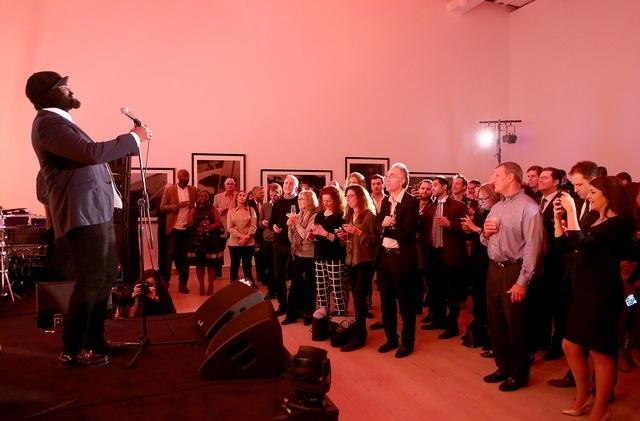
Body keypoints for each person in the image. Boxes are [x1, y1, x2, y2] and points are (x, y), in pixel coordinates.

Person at [27, 71, 151, 367]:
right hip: (81, 213)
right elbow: (90, 153)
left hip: (95, 210)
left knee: (105, 276)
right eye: (64, 88)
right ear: (49, 94)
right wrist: (133, 138)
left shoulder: (59, 123)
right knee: (91, 279)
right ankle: (72, 349)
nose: (70, 91)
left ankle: (94, 340)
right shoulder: (48, 123)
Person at [554, 176, 633, 420]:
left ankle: (601, 407)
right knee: (570, 345)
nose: (588, 196)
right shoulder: (592, 217)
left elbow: (582, 243)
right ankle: (582, 396)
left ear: (608, 195)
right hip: (582, 290)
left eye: (592, 192)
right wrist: (558, 220)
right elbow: (568, 246)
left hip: (603, 293)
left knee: (600, 352)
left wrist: (571, 211)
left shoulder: (619, 223)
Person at [480, 162, 544, 392]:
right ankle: (503, 366)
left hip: (514, 270)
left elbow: (533, 248)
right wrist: (485, 233)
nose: (492, 178)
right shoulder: (497, 207)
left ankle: (518, 373)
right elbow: (484, 239)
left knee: (516, 324)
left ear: (510, 177)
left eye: (497, 175)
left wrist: (522, 281)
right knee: (496, 322)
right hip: (494, 268)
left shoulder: (529, 208)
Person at [373, 163, 419, 358]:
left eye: (391, 175)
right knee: (386, 302)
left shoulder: (411, 202)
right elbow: (375, 226)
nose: (387, 178)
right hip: (384, 256)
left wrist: (385, 228)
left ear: (402, 181)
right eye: (387, 175)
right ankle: (391, 339)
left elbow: (406, 233)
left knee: (406, 304)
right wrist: (384, 226)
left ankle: (407, 343)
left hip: (401, 259)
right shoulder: (386, 201)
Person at [420, 176, 469, 339]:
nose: (432, 188)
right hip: (433, 254)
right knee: (435, 290)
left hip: (451, 255)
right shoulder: (430, 206)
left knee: (452, 293)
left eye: (435, 185)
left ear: (444, 187)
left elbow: (467, 230)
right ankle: (438, 319)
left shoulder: (459, 206)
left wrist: (450, 224)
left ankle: (452, 326)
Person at [461, 183, 500, 351]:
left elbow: (493, 238)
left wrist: (474, 228)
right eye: (479, 198)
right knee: (478, 298)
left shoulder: (497, 212)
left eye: (484, 198)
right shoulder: (480, 211)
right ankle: (479, 332)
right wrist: (468, 229)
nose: (481, 201)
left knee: (489, 301)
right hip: (477, 259)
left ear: (494, 196)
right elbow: (475, 234)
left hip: (489, 259)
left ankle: (491, 338)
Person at [338, 184, 377, 352]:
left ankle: (360, 336)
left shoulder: (369, 215)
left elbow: (375, 240)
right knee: (355, 297)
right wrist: (343, 236)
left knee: (360, 299)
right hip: (350, 261)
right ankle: (358, 330)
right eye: (347, 196)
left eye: (351, 195)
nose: (348, 198)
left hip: (364, 262)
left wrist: (358, 232)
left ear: (360, 197)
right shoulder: (349, 215)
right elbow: (347, 242)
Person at [282, 189, 319, 326]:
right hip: (297, 253)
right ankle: (292, 314)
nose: (299, 201)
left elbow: (306, 236)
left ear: (309, 200)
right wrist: (290, 227)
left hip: (310, 254)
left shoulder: (315, 216)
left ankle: (308, 315)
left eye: (302, 199)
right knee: (295, 285)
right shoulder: (299, 215)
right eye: (298, 199)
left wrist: (296, 223)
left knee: (310, 285)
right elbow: (292, 239)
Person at [311, 186, 347, 319]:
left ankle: (340, 316)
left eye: (329, 201)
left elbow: (340, 240)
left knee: (337, 288)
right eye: (324, 200)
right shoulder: (320, 214)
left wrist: (324, 233)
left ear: (336, 200)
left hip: (334, 256)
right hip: (319, 255)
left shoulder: (341, 216)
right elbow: (316, 234)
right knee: (321, 288)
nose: (325, 203)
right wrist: (313, 236)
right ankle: (323, 314)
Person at [160, 169, 197, 293]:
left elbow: (195, 206)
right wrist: (177, 206)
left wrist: (193, 210)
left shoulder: (193, 190)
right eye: (184, 176)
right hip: (173, 229)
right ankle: (165, 283)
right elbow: (162, 207)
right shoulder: (170, 190)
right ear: (178, 177)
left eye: (188, 176)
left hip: (187, 229)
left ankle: (183, 284)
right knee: (169, 256)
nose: (187, 178)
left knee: (184, 258)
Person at [269, 175, 300, 315]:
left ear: (296, 186)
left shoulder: (299, 201)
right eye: (286, 183)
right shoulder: (278, 202)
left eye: (290, 183)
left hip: (294, 244)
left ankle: (295, 306)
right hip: (278, 243)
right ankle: (282, 304)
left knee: (294, 276)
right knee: (278, 276)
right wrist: (273, 227)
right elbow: (271, 221)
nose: (287, 185)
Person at [187, 190, 222, 295]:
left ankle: (211, 284)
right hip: (198, 241)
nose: (203, 197)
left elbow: (218, 223)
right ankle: (201, 285)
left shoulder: (213, 209)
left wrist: (207, 228)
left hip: (212, 239)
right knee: (200, 264)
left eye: (206, 196)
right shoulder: (193, 210)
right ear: (198, 198)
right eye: (201, 196)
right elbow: (189, 223)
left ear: (209, 198)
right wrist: (198, 228)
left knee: (211, 264)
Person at [227, 190, 258, 284]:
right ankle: (234, 285)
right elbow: (229, 227)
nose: (242, 197)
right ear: (236, 198)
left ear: (246, 198)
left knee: (247, 266)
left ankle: (250, 285)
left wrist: (247, 237)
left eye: (244, 195)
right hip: (234, 243)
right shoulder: (231, 211)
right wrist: (241, 236)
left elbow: (253, 225)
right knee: (234, 265)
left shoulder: (251, 210)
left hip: (249, 243)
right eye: (240, 195)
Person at [212, 177, 238, 276]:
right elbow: (213, 211)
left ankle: (234, 274)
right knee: (219, 250)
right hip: (221, 227)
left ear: (234, 186)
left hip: (235, 227)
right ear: (225, 185)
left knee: (235, 251)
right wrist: (221, 210)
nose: (230, 185)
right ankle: (217, 272)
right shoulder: (217, 197)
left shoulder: (238, 196)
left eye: (232, 184)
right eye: (228, 184)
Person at [261, 183, 282, 299]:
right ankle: (271, 291)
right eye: (271, 195)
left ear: (280, 194)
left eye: (276, 195)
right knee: (269, 267)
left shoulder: (283, 205)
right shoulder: (265, 206)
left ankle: (280, 291)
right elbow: (259, 222)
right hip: (267, 240)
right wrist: (263, 223)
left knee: (279, 268)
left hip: (280, 240)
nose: (273, 197)